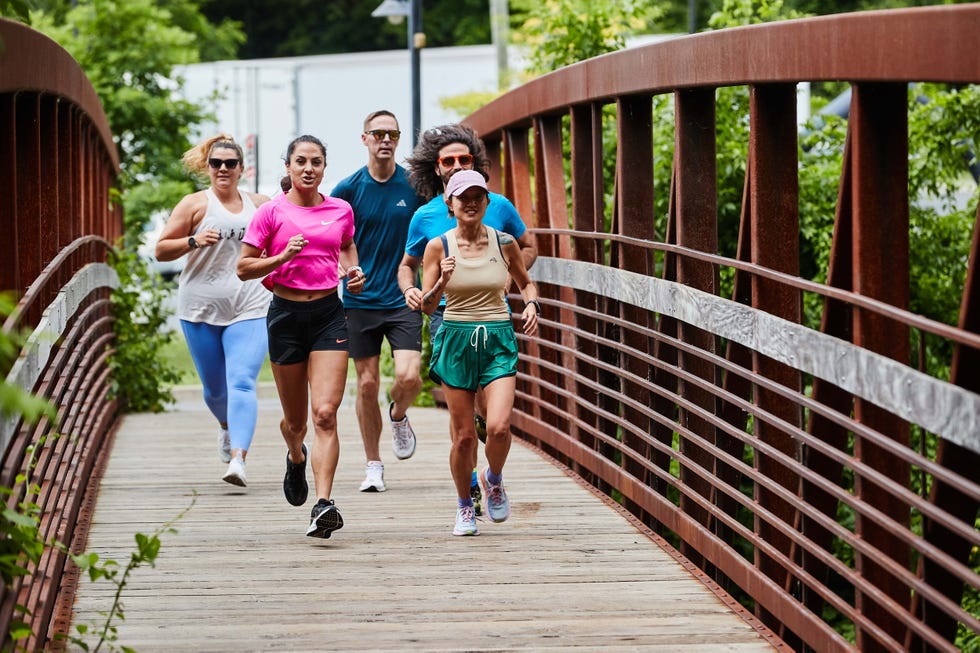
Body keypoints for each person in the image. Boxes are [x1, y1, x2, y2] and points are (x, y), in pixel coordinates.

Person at [398, 123, 538, 514]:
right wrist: (414, 289)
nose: (458, 165)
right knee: (464, 430)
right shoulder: (426, 219)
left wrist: (504, 277)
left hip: (493, 323)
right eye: (449, 161)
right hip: (448, 319)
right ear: (437, 169)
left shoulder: (501, 211)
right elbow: (407, 266)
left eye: (465, 159)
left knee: (492, 419)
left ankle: (489, 475)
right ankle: (467, 494)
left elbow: (527, 250)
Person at [237, 134, 366, 539]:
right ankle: (295, 455)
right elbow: (244, 268)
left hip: (329, 314)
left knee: (324, 413)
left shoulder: (341, 209)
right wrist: (281, 257)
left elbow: (346, 247)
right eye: (301, 161)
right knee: (295, 422)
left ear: (324, 168)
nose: (308, 168)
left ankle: (324, 504)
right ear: (289, 167)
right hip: (286, 316)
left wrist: (353, 272)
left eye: (316, 162)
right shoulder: (270, 213)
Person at [154, 134, 271, 488]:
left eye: (230, 164)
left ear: (241, 169)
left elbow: (279, 244)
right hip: (200, 307)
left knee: (242, 381)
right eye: (216, 163)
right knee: (215, 390)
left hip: (249, 304)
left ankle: (239, 458)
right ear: (208, 168)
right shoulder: (194, 205)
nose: (223, 169)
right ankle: (224, 425)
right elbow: (161, 251)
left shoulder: (260, 204)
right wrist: (193, 240)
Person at [330, 110, 425, 493]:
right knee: (367, 384)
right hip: (360, 300)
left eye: (392, 134)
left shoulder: (415, 186)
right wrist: (343, 268)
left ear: (398, 140)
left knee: (409, 377)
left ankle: (399, 415)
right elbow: (330, 239)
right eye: (378, 134)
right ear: (364, 138)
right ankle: (373, 465)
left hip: (403, 296)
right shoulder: (348, 190)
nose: (385, 140)